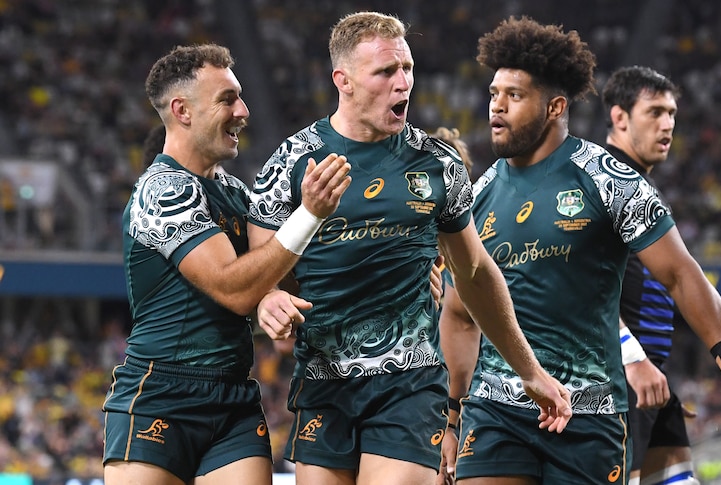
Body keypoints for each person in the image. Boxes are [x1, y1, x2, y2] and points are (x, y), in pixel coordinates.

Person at [438, 16, 721, 485]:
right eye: (493, 94)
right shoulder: (479, 195)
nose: (497, 107)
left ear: (555, 107)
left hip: (588, 414)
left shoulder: (608, 179)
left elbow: (680, 275)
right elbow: (460, 312)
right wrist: (450, 417)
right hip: (495, 413)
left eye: (515, 95)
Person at [246, 12, 572, 485]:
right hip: (323, 384)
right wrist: (269, 297)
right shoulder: (293, 161)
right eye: (385, 72)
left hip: (410, 384)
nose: (404, 84)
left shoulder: (437, 165)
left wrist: (530, 371)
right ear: (345, 81)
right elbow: (260, 262)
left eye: (408, 68)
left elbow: (476, 273)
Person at [101, 43, 352, 485]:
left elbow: (268, 279)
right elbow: (233, 289)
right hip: (159, 394)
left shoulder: (237, 193)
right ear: (182, 110)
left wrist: (274, 300)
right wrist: (308, 215)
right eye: (227, 99)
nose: (243, 110)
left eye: (240, 96)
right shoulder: (161, 192)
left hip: (233, 395)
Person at [602, 65, 695, 485]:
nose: (668, 124)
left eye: (672, 113)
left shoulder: (642, 186)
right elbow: (585, 286)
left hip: (648, 379)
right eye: (654, 112)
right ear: (620, 117)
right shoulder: (604, 182)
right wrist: (632, 358)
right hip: (615, 378)